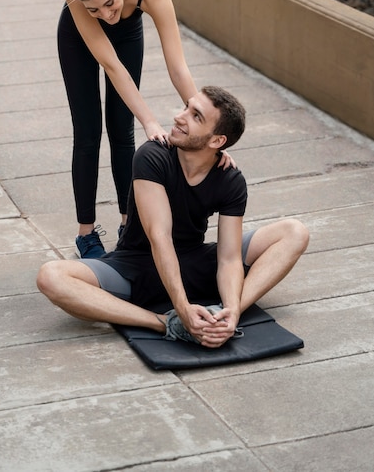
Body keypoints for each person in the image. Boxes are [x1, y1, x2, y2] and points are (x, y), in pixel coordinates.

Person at [37, 86, 309, 348]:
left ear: (217, 141)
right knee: (51, 276)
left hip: (193, 263)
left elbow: (228, 258)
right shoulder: (152, 156)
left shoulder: (230, 179)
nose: (180, 117)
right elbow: (160, 238)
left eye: (195, 116)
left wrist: (232, 311)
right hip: (136, 269)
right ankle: (166, 324)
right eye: (186, 108)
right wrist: (181, 312)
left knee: (294, 232)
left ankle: (224, 316)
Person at [58, 0, 234, 260]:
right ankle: (86, 234)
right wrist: (150, 121)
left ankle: (129, 226)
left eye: (110, 4)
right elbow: (111, 66)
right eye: (95, 8)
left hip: (129, 36)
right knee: (88, 133)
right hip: (77, 38)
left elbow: (178, 67)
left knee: (122, 128)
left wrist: (208, 130)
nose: (106, 15)